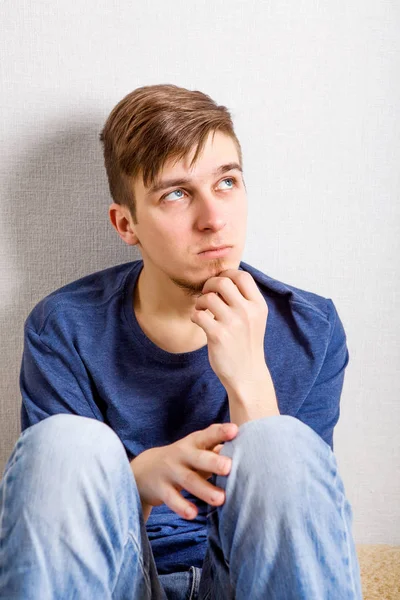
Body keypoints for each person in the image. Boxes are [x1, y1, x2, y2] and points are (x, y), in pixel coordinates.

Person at [0, 83, 363, 599]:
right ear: (127, 224)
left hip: (242, 578)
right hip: (123, 577)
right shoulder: (63, 328)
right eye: (176, 193)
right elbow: (58, 520)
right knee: (64, 445)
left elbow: (295, 530)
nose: (213, 219)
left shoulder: (311, 328)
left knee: (279, 445)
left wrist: (250, 383)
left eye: (227, 182)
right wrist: (135, 484)